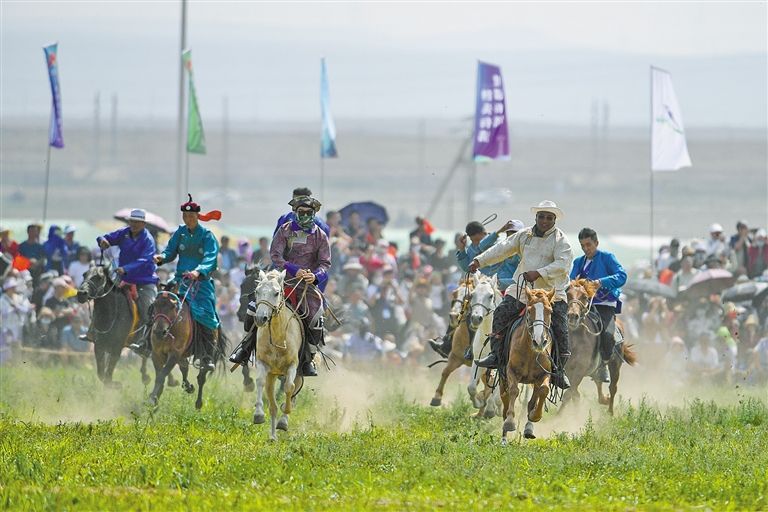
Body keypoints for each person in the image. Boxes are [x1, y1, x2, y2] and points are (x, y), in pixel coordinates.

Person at [469, 200, 574, 389]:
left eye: (549, 217)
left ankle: (558, 370)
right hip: (523, 289)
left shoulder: (561, 240)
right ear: (536, 217)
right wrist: (479, 261)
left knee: (561, 329)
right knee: (500, 313)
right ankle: (496, 355)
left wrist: (539, 273)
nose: (544, 220)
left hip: (552, 293)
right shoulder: (524, 235)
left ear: (554, 220)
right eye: (541, 216)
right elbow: (502, 249)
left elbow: (563, 265)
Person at [232, 195, 331, 376]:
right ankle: (244, 349)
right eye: (301, 212)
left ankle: (309, 358)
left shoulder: (320, 236)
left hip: (306, 286)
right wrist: (294, 269)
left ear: (314, 213)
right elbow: (276, 256)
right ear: (295, 212)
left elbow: (325, 263)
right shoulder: (285, 230)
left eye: (308, 213)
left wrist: (314, 276)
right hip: (280, 280)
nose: (305, 215)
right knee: (254, 306)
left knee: (316, 316)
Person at [429, 218, 519, 357]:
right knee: (460, 302)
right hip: (480, 282)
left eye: (477, 239)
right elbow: (467, 267)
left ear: (484, 234)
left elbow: (483, 246)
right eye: (473, 240)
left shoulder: (497, 243)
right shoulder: (471, 248)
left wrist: (499, 231)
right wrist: (461, 249)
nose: (476, 243)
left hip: (495, 282)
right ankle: (447, 343)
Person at [152, 196, 222, 371]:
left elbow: (210, 257)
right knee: (159, 303)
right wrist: (161, 257)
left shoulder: (207, 235)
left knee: (207, 314)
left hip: (201, 283)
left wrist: (198, 271)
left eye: (191, 216)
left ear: (197, 216)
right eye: (185, 216)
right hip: (179, 280)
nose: (188, 219)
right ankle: (146, 342)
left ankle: (207, 355)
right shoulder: (180, 232)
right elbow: (170, 251)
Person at [87, 209, 159, 353]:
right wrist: (103, 241)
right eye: (132, 221)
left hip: (144, 281)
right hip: (123, 278)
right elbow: (105, 237)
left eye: (137, 222)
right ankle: (93, 330)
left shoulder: (148, 240)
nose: (134, 224)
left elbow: (145, 259)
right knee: (103, 298)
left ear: (143, 224)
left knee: (148, 309)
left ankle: (144, 342)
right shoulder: (123, 233)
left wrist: (126, 268)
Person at [570, 227, 628, 383]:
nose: (586, 248)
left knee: (608, 335)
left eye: (588, 245)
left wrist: (601, 282)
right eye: (582, 245)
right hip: (583, 304)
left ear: (596, 243)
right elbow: (571, 281)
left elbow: (622, 276)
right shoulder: (578, 262)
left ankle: (603, 364)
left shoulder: (607, 258)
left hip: (604, 304)